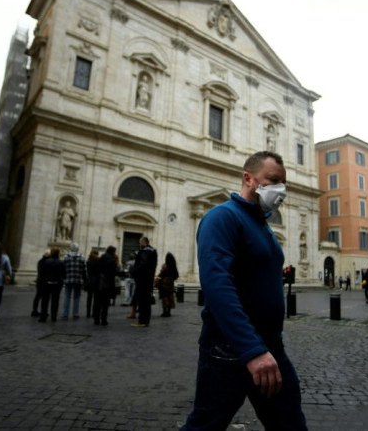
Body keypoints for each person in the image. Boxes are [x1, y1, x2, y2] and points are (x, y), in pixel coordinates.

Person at [182, 151, 307, 430]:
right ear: (248, 178)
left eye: (283, 183)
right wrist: (251, 350)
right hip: (229, 348)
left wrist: (265, 346)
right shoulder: (222, 217)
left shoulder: (262, 224)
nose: (280, 189)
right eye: (273, 180)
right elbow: (218, 286)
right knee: (206, 425)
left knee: (289, 422)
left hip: (269, 344)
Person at [129, 236, 157, 327]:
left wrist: (132, 270)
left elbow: (143, 265)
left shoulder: (146, 251)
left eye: (140, 243)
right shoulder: (152, 251)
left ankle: (142, 321)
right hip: (148, 279)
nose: (139, 244)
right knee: (146, 301)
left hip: (143, 280)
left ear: (143, 242)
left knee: (142, 301)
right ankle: (145, 321)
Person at [92, 246, 119, 326]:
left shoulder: (100, 259)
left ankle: (96, 319)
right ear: (113, 252)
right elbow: (114, 272)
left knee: (97, 302)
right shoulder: (112, 260)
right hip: (107, 284)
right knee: (105, 303)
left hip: (98, 283)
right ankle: (104, 320)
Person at [38, 248, 65, 322]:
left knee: (45, 301)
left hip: (47, 283)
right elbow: (64, 273)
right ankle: (54, 317)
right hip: (57, 284)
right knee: (55, 301)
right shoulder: (61, 262)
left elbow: (42, 272)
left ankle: (43, 317)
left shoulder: (46, 262)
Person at [62, 243, 87, 320]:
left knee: (67, 296)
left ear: (70, 248)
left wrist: (64, 278)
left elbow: (63, 269)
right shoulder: (82, 257)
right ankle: (75, 313)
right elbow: (85, 270)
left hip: (68, 279)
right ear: (78, 248)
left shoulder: (66, 257)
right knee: (77, 297)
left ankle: (65, 314)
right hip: (78, 280)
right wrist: (85, 279)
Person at [157, 252, 179, 317]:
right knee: (170, 297)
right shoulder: (173, 267)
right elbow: (176, 275)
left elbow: (161, 274)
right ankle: (169, 312)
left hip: (164, 283)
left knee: (164, 297)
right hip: (171, 283)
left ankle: (164, 312)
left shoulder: (165, 266)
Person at [31, 250, 50, 317]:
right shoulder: (47, 263)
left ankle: (34, 310)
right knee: (45, 298)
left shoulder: (40, 261)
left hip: (39, 280)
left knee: (38, 296)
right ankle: (43, 311)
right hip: (45, 282)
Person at [84, 249, 100, 318]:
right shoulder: (98, 262)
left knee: (89, 298)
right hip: (96, 281)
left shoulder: (88, 262)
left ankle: (88, 313)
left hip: (90, 281)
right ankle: (94, 312)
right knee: (96, 298)